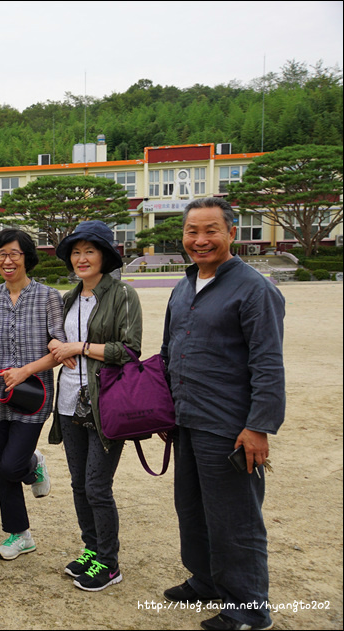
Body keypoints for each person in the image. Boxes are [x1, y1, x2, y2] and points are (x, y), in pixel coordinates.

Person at [161, 197, 285, 631]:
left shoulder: (255, 288)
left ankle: (249, 609)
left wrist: (258, 427)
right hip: (187, 419)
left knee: (235, 518)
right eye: (192, 231)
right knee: (192, 508)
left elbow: (268, 364)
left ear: (232, 233)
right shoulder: (184, 284)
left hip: (230, 426)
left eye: (211, 230)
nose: (200, 240)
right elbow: (168, 351)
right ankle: (206, 580)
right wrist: (165, 412)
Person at [47, 221, 143, 591]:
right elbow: (59, 342)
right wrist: (59, 347)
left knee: (97, 486)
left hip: (106, 405)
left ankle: (109, 561)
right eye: (75, 251)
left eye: (89, 251)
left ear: (104, 255)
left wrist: (80, 348)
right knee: (77, 484)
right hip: (70, 403)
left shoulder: (122, 295)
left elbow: (130, 350)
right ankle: (91, 548)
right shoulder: (69, 298)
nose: (81, 258)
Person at [0, 228, 64, 560]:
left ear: (27, 257)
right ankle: (19, 535)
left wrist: (25, 370)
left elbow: (60, 350)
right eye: (1, 254)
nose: (7, 260)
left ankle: (32, 463)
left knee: (11, 465)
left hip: (35, 392)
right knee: (0, 464)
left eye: (14, 254)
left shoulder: (49, 296)